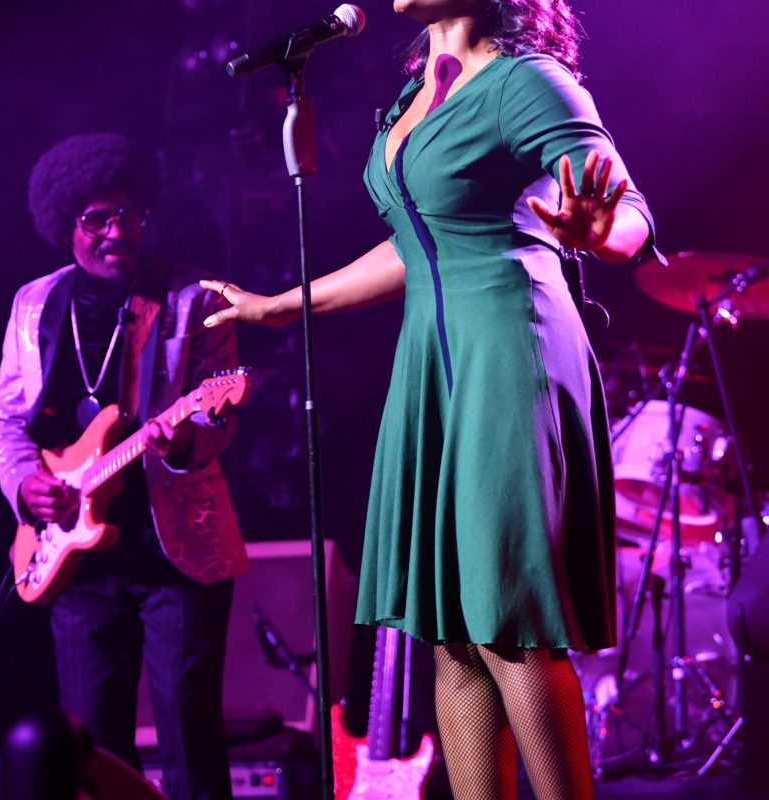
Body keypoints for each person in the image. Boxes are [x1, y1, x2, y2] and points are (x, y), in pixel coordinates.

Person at [201, 1, 659, 798]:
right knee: (449, 632)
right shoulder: (416, 87)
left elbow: (629, 215)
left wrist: (597, 231)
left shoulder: (527, 83)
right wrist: (281, 305)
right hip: (432, 366)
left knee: (507, 624)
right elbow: (413, 244)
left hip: (508, 349)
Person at [0, 133, 248, 800]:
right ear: (64, 224)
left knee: (191, 742)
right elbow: (6, 420)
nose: (115, 232)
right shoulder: (33, 304)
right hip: (76, 562)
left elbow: (220, 409)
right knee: (94, 754)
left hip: (175, 555)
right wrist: (26, 486)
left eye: (128, 215)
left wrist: (185, 440)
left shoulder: (196, 297)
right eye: (95, 218)